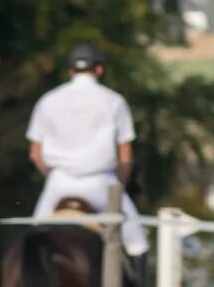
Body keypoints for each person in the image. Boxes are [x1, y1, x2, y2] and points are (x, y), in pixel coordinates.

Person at [26, 42, 150, 270]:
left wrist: (54, 176)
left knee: (33, 244)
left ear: (70, 71)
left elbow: (35, 154)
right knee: (137, 244)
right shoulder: (114, 101)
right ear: (99, 70)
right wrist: (119, 185)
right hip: (102, 185)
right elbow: (125, 157)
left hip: (58, 184)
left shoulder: (47, 101)